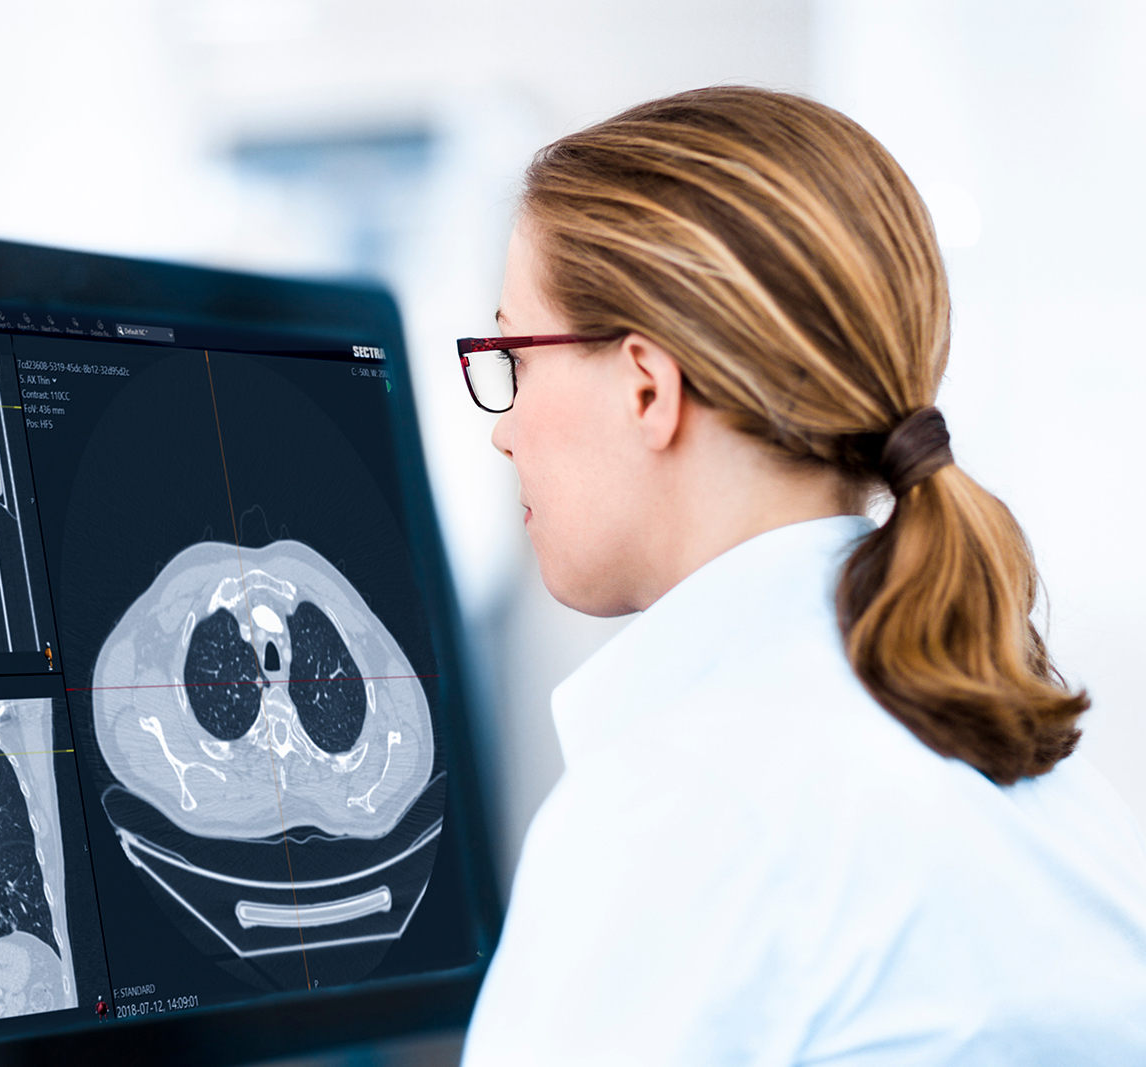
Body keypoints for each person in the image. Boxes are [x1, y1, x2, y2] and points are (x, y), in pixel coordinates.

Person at [457, 87, 1146, 1065]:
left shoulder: (677, 812)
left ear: (646, 386)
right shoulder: (1048, 786)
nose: (501, 426)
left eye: (511, 356)